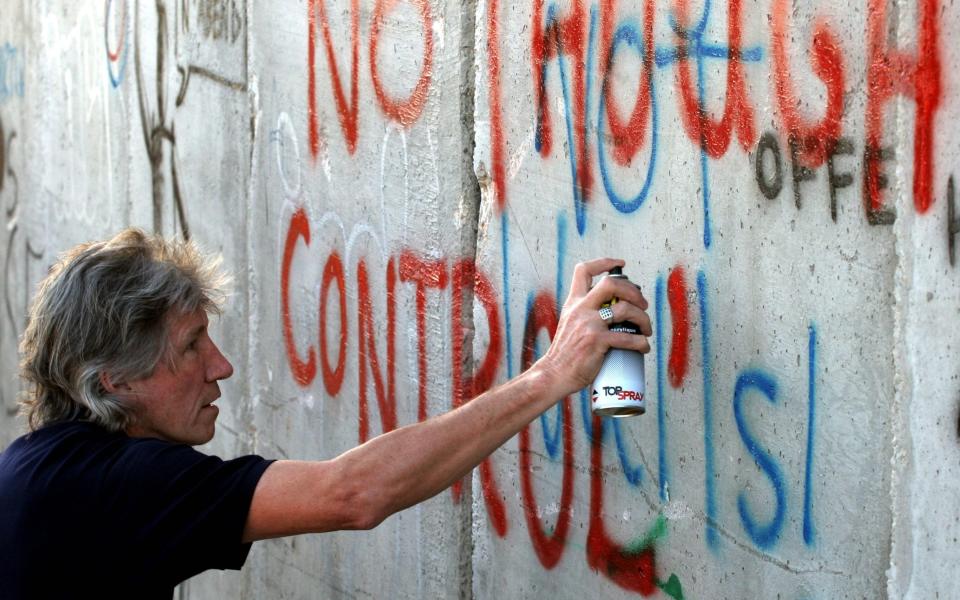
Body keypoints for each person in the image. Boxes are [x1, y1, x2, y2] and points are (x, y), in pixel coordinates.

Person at [0, 228, 651, 598]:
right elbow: (354, 494)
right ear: (114, 380)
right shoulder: (122, 487)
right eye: (192, 346)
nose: (221, 366)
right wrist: (550, 375)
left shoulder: (44, 464)